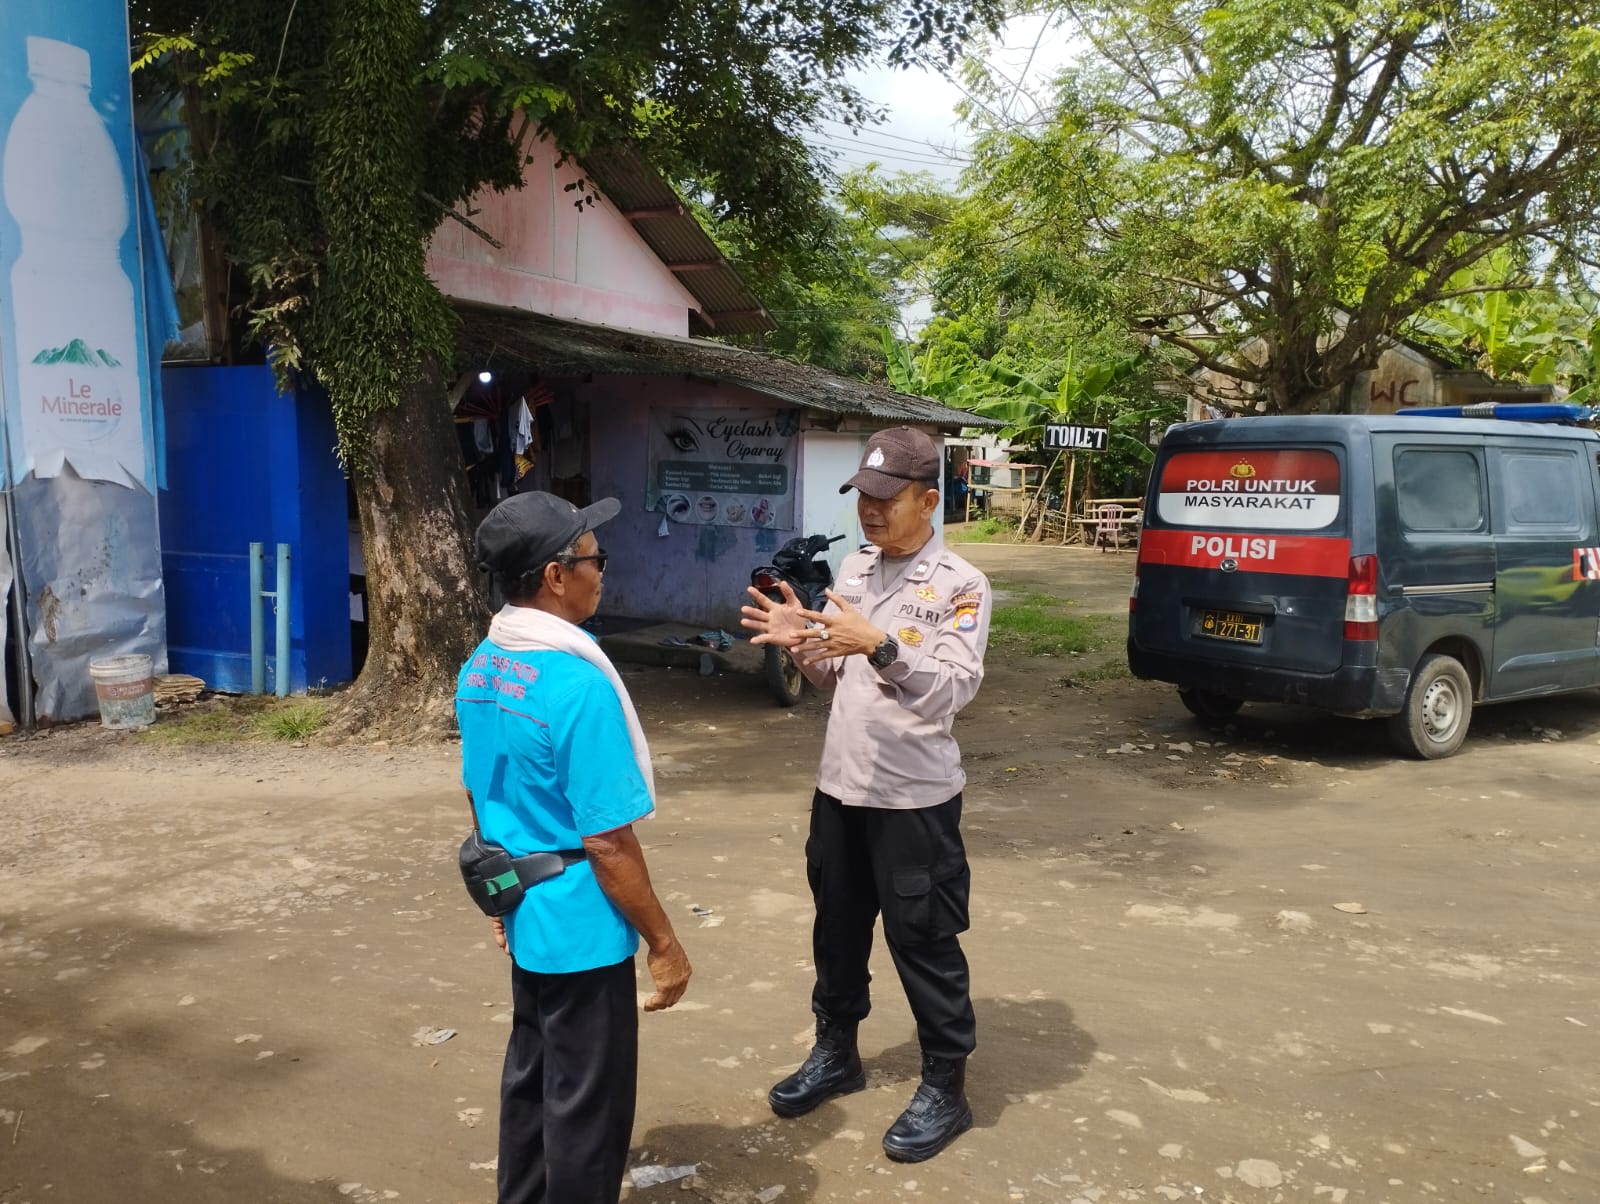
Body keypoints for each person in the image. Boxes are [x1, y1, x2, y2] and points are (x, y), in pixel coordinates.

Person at [740, 426, 992, 1163]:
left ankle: (946, 1085)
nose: (871, 510)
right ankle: (836, 1052)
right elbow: (834, 676)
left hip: (914, 800)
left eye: (888, 498)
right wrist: (800, 641)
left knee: (924, 940)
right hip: (841, 790)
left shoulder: (961, 584)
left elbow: (951, 691)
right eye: (864, 497)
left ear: (929, 501)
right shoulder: (853, 570)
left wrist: (879, 644)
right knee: (838, 930)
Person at [457, 491, 692, 1204]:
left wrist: (501, 897)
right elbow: (609, 842)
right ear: (556, 576)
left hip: (525, 903)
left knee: (532, 1080)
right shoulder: (576, 685)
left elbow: (478, 791)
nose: (602, 573)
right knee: (588, 1111)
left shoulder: (484, 663)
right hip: (581, 925)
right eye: (595, 559)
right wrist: (664, 943)